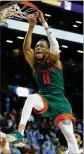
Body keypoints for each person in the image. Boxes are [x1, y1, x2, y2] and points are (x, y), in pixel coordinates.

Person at [7, 11, 80, 154]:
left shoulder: (55, 60)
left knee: (71, 140)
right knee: (31, 98)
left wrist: (44, 24)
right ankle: (20, 132)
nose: (38, 48)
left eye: (41, 46)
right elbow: (26, 49)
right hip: (45, 98)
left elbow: (55, 44)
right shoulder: (35, 63)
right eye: (37, 46)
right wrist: (31, 26)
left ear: (48, 51)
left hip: (60, 102)